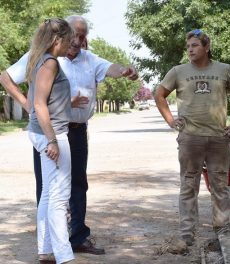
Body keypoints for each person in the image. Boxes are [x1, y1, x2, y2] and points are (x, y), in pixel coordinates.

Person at [0, 15, 138, 255]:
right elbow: (8, 79)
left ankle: (73, 239)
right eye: (74, 33)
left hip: (76, 131)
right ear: (62, 35)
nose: (78, 39)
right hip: (51, 130)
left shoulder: (88, 59)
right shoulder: (47, 59)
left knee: (75, 185)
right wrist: (29, 106)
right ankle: (57, 247)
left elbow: (110, 67)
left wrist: (125, 70)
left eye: (83, 34)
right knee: (52, 188)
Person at [155, 29, 230, 246]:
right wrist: (170, 121)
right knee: (188, 185)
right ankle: (187, 233)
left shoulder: (224, 70)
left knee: (220, 185)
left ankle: (222, 229)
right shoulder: (178, 71)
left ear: (207, 47)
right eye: (188, 47)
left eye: (195, 45)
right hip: (190, 139)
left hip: (218, 139)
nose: (190, 50)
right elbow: (159, 95)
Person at [25, 18, 74, 264]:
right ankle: (65, 256)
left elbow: (42, 100)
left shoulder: (40, 59)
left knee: (48, 193)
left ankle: (45, 251)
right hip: (51, 133)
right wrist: (52, 140)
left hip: (44, 131)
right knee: (59, 195)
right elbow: (38, 103)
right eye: (69, 39)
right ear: (58, 40)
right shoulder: (50, 62)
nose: (72, 43)